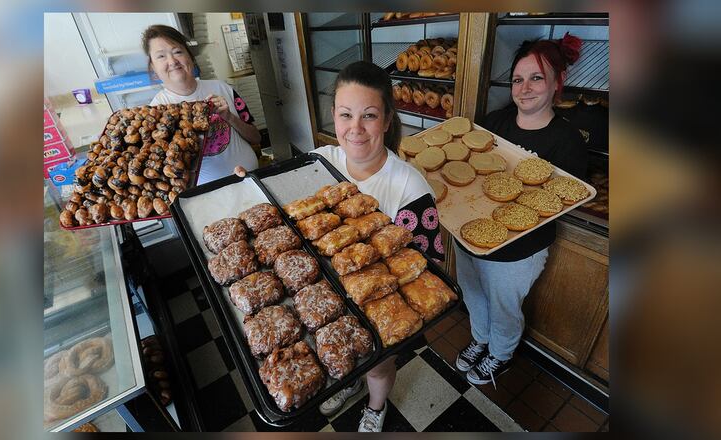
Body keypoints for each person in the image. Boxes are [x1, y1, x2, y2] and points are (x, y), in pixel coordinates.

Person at [237, 61, 444, 431]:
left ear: (387, 119)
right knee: (336, 349)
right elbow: (287, 208)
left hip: (378, 303)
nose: (356, 128)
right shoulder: (321, 162)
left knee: (377, 364)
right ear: (333, 115)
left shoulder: (409, 188)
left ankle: (376, 407)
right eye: (346, 115)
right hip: (323, 294)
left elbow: (428, 266)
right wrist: (250, 186)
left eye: (369, 115)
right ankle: (349, 383)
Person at [452, 33, 588, 387]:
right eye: (517, 79)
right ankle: (481, 339)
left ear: (559, 82)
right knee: (474, 294)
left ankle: (500, 352)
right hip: (470, 233)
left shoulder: (566, 140)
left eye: (536, 78)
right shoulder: (493, 124)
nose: (524, 88)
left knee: (504, 306)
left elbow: (560, 200)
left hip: (518, 251)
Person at [141, 24, 260, 184]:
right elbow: (164, 174)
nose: (172, 61)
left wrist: (229, 117)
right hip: (206, 195)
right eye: (161, 56)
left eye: (177, 52)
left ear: (190, 57)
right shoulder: (156, 112)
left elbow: (256, 137)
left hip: (251, 178)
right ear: (153, 67)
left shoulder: (222, 87)